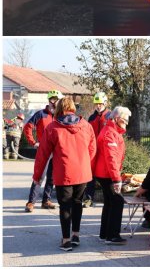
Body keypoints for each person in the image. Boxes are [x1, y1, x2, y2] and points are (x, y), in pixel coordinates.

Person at [32, 97, 96, 251]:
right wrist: (85, 164)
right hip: (82, 172)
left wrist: (37, 177)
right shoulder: (86, 125)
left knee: (65, 206)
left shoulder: (53, 128)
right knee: (77, 203)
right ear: (73, 108)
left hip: (63, 172)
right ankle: (76, 235)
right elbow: (92, 150)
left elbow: (42, 155)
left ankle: (66, 239)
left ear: (59, 108)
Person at [93, 106, 130, 245]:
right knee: (117, 201)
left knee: (109, 202)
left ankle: (104, 234)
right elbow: (111, 158)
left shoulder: (111, 131)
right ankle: (112, 235)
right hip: (107, 174)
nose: (126, 122)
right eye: (125, 120)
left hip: (104, 173)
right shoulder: (110, 133)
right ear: (116, 118)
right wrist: (116, 179)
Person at [24, 90, 61, 213]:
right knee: (39, 176)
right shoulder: (40, 114)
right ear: (50, 100)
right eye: (54, 99)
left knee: (51, 177)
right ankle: (31, 202)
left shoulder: (60, 116)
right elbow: (28, 127)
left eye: (57, 100)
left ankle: (46, 200)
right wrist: (33, 142)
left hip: (56, 151)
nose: (55, 102)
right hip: (43, 150)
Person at [84, 92, 113, 207]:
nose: (98, 105)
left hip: (105, 150)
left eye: (101, 103)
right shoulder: (91, 117)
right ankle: (89, 199)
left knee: (106, 175)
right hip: (93, 150)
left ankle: (109, 197)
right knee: (90, 175)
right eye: (97, 103)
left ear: (105, 103)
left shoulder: (110, 116)